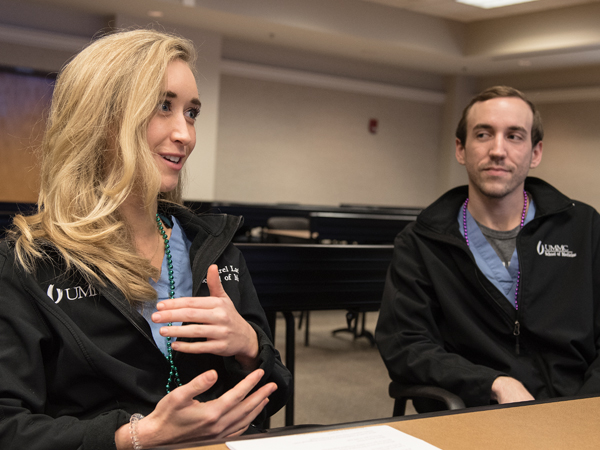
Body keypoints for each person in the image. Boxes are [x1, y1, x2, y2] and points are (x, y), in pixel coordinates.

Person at [0, 29, 291, 449]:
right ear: (98, 118)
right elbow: (9, 429)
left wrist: (249, 347)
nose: (186, 135)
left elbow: (273, 394)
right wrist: (134, 436)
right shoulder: (26, 264)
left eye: (191, 113)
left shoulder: (211, 246)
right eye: (162, 106)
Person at [376, 85, 600, 409]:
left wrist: (584, 407)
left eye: (514, 136)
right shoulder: (421, 243)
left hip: (579, 410)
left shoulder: (584, 229)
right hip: (478, 413)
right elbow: (406, 346)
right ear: (461, 149)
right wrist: (493, 383)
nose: (498, 150)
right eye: (483, 134)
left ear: (535, 152)